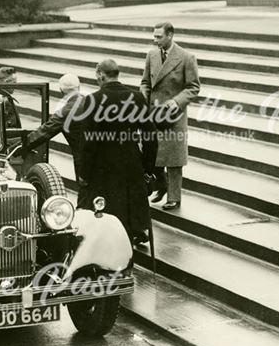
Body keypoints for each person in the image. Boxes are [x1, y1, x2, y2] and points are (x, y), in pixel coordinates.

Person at [79, 59, 150, 242]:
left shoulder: (93, 100)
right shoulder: (137, 97)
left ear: (101, 74)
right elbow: (151, 136)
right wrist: (148, 168)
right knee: (128, 214)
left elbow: (89, 142)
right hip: (131, 164)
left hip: (104, 169)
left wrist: (84, 173)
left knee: (107, 218)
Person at [139, 22, 200, 211]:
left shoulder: (186, 58)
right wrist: (142, 99)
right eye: (154, 36)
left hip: (174, 115)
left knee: (174, 159)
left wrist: (176, 102)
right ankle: (161, 185)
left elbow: (193, 87)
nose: (154, 40)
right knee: (153, 152)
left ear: (170, 35)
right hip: (152, 113)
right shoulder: (152, 55)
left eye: (159, 37)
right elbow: (145, 82)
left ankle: (174, 197)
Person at [19, 73, 87, 191]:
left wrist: (20, 146)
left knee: (85, 197)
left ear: (61, 91)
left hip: (85, 162)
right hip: (104, 158)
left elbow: (44, 131)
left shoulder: (66, 112)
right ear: (79, 87)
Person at [0, 66, 22, 131]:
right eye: (14, 83)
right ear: (6, 82)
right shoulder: (5, 101)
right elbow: (11, 126)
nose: (15, 86)